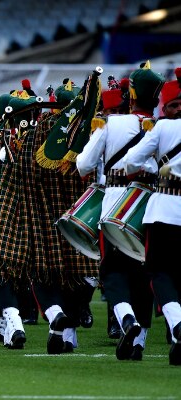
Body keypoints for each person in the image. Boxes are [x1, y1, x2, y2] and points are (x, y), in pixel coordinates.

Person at [77, 62, 163, 360]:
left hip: (114, 202)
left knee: (113, 271)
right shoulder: (162, 125)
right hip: (152, 202)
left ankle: (126, 320)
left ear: (132, 92)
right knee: (143, 273)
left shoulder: (110, 124)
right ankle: (139, 342)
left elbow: (84, 165)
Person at [124, 67, 181, 366]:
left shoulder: (162, 128)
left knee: (159, 273)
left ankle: (178, 326)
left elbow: (132, 160)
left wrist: (152, 166)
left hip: (165, 210)